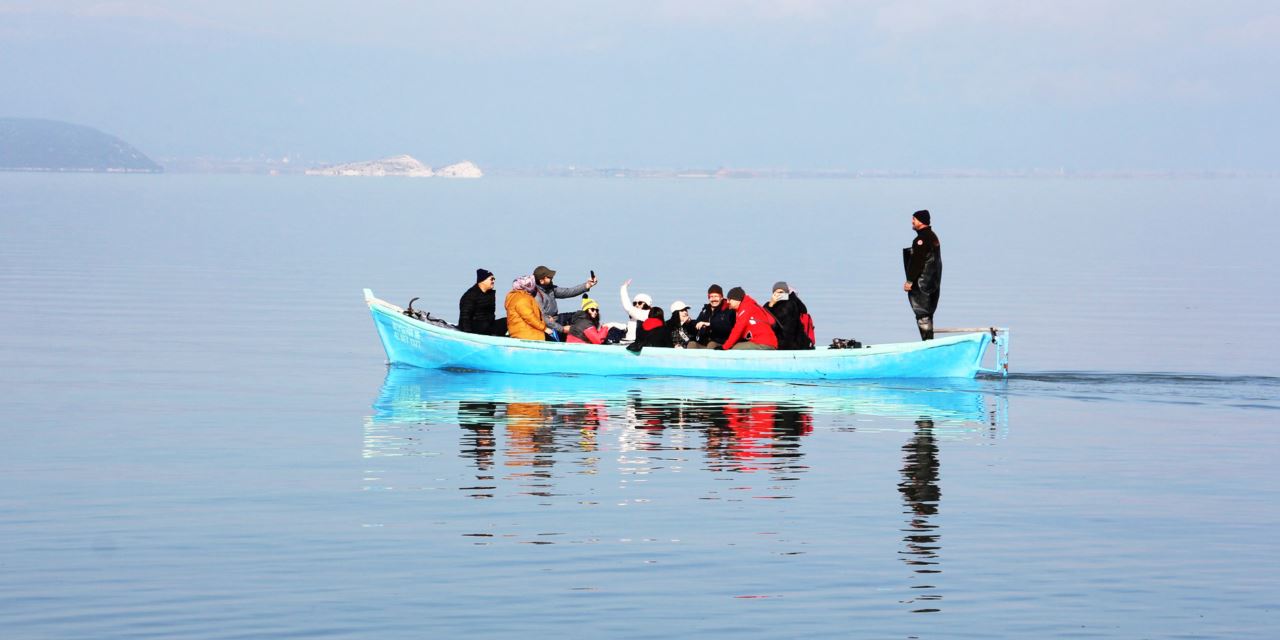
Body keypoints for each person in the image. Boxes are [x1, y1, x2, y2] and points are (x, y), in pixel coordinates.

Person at [903, 209, 942, 340]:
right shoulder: (932, 236)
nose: (912, 222)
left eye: (914, 219)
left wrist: (909, 281)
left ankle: (928, 344)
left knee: (922, 314)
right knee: (928, 313)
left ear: (921, 221)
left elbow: (916, 262)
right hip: (933, 283)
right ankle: (929, 341)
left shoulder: (921, 240)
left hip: (922, 284)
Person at [533, 265, 598, 338]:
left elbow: (568, 292)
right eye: (549, 277)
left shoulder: (550, 288)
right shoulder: (537, 296)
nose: (552, 277)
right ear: (541, 281)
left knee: (582, 314)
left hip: (556, 319)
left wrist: (587, 285)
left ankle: (593, 335)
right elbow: (544, 318)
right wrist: (562, 329)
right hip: (549, 324)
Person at [764, 281, 813, 350]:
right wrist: (771, 304)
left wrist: (792, 296)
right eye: (776, 292)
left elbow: (779, 319)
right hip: (780, 340)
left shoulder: (790, 304)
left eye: (781, 292)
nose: (779, 295)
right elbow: (762, 318)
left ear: (786, 293)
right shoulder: (769, 304)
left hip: (793, 343)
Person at [505, 275, 556, 341]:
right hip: (527, 334)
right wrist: (545, 329)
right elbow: (530, 317)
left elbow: (532, 314)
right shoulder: (522, 299)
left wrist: (545, 317)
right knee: (553, 339)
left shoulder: (515, 296)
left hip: (521, 332)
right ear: (528, 286)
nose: (535, 287)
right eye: (533, 284)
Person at [457, 268, 506, 336]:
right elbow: (465, 316)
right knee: (483, 325)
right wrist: (467, 333)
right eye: (491, 279)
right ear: (483, 280)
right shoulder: (471, 295)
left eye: (494, 279)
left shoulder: (490, 294)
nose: (494, 281)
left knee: (508, 320)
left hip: (487, 326)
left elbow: (491, 314)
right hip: (474, 327)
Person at [689, 284, 735, 349]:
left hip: (721, 344)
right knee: (692, 344)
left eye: (716, 296)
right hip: (704, 343)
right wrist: (689, 321)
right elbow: (698, 323)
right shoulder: (705, 309)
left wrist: (709, 324)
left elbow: (727, 327)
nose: (714, 299)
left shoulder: (728, 310)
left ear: (721, 297)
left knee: (712, 344)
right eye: (711, 296)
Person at [617, 279, 654, 345]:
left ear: (647, 304)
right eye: (634, 303)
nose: (636, 305)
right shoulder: (637, 315)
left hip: (634, 343)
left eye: (640, 303)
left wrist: (623, 288)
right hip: (630, 341)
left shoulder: (646, 314)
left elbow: (627, 306)